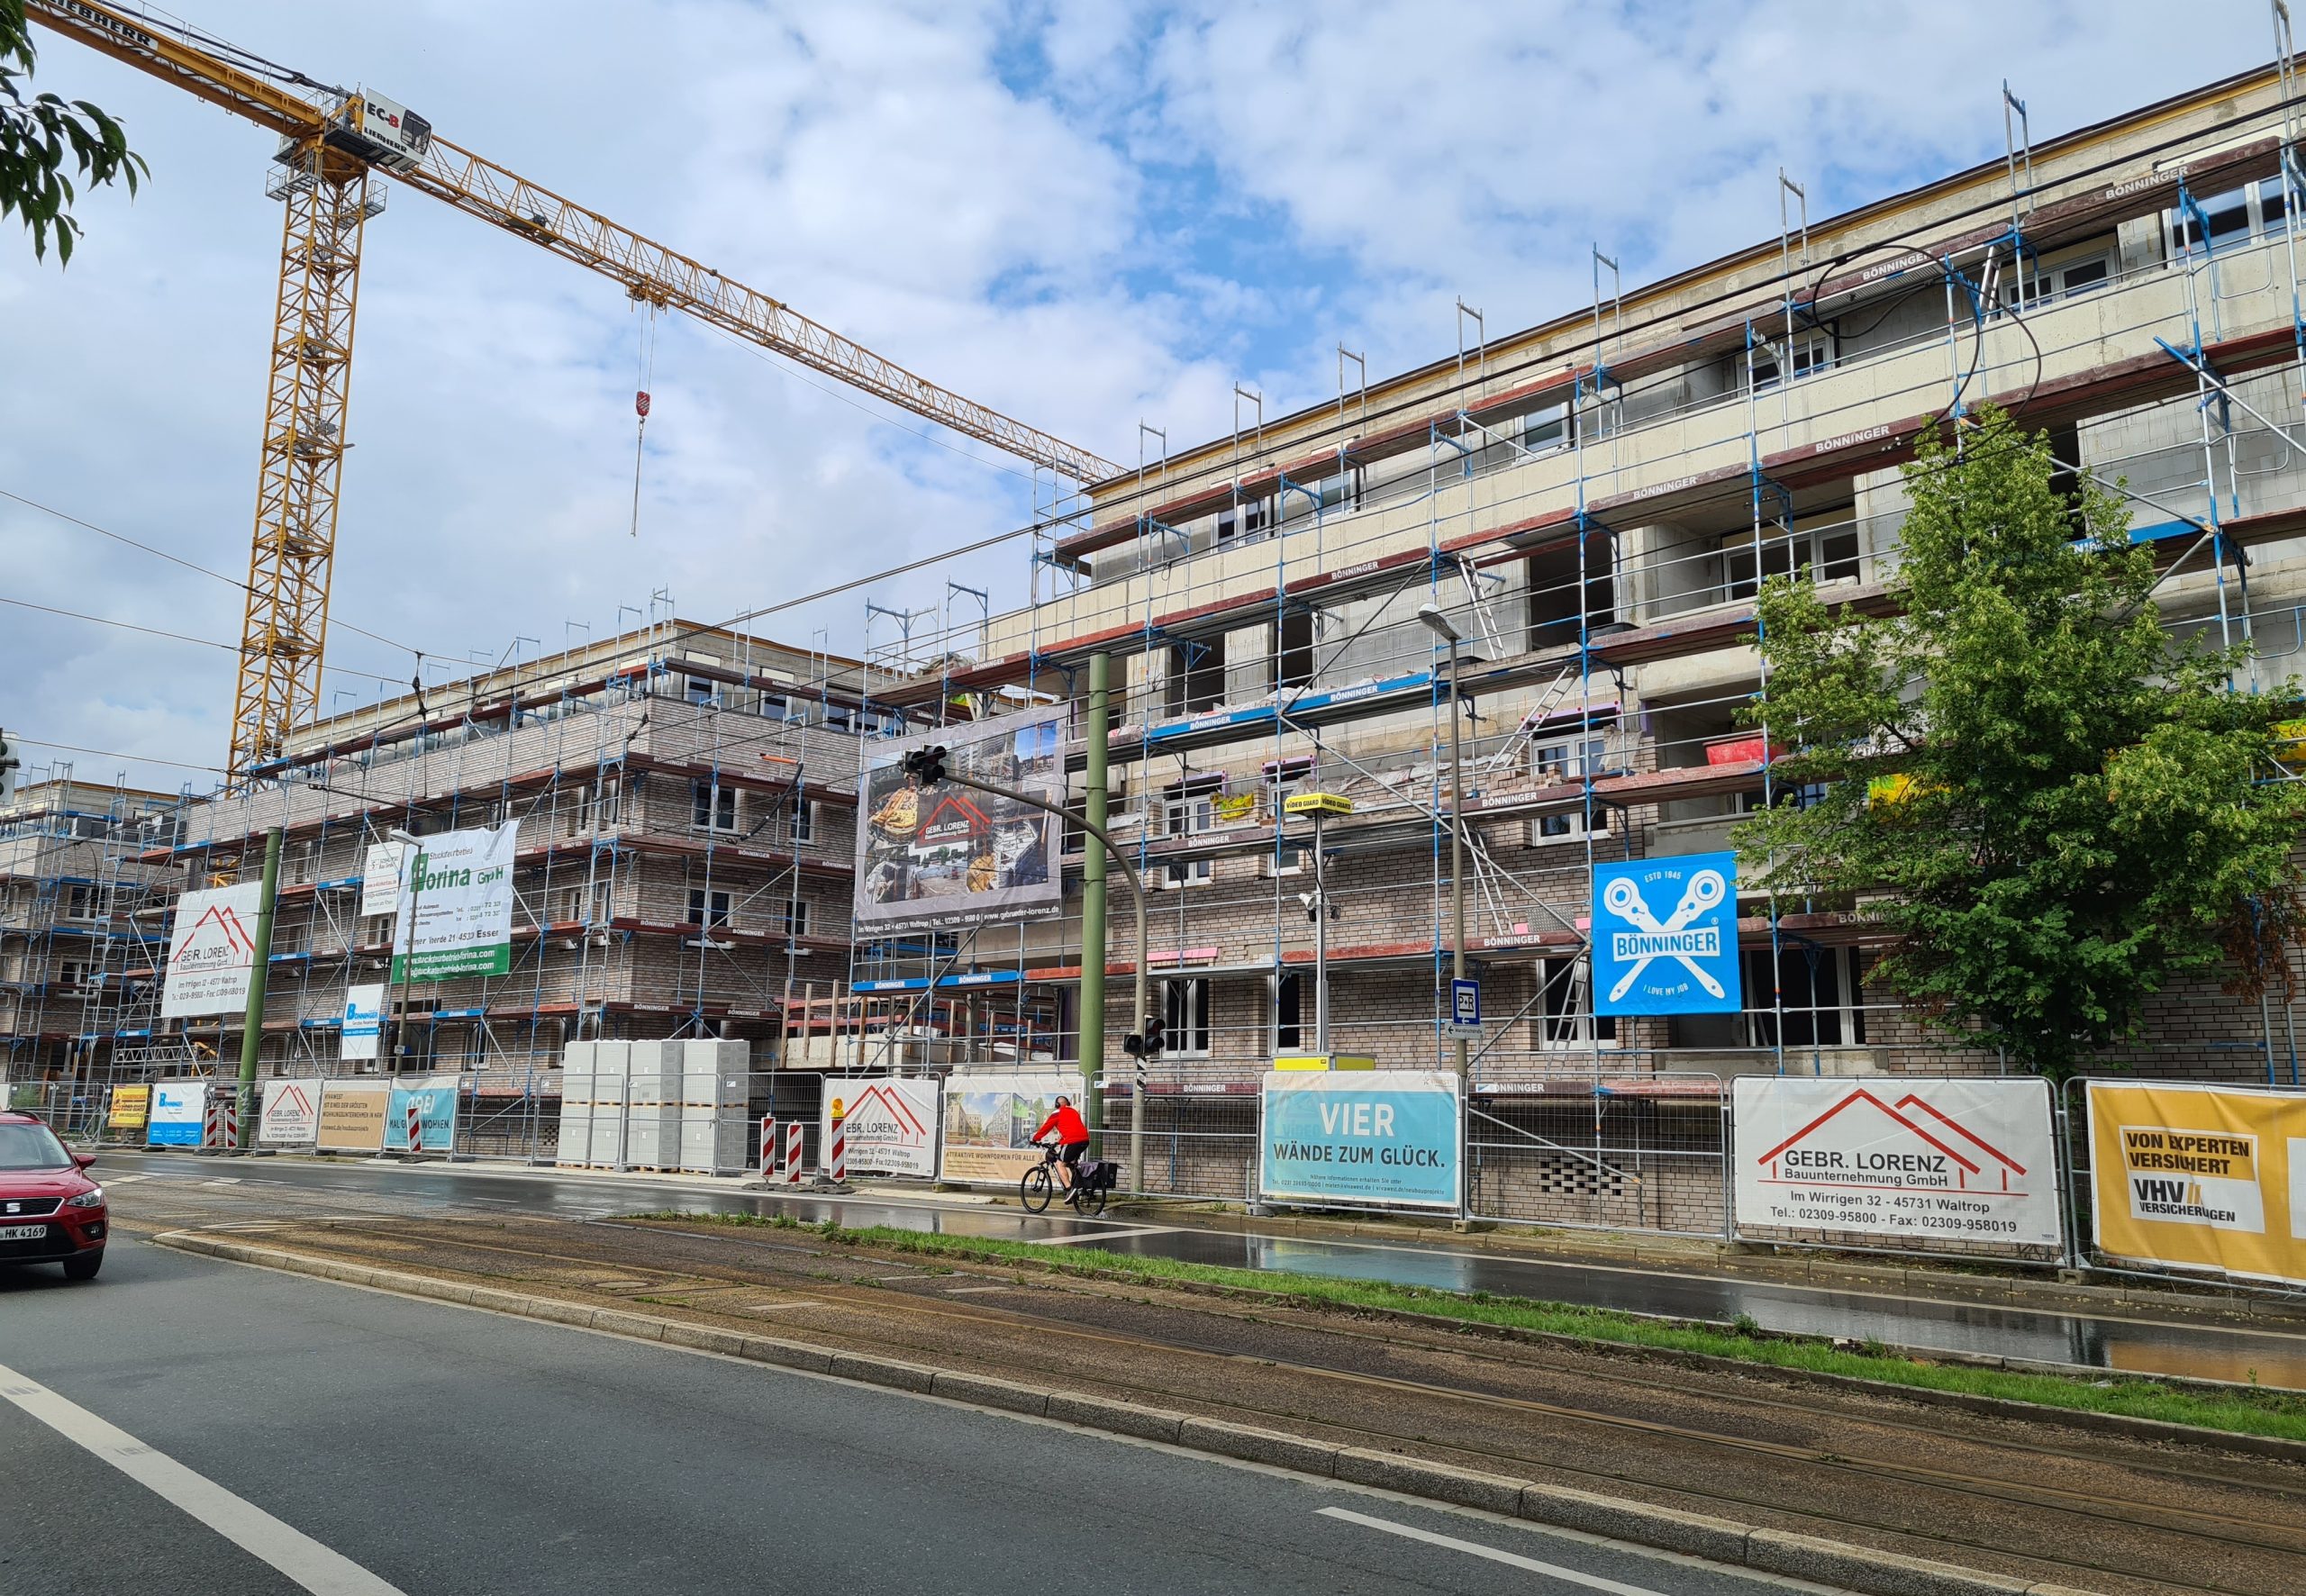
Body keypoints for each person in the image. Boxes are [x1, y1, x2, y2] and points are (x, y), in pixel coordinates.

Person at [1030, 1094, 1091, 1193]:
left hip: (1073, 1141)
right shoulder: (1074, 1112)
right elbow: (1073, 1128)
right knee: (1071, 1163)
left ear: (1057, 1104)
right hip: (1085, 1140)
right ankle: (1079, 1187)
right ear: (1068, 1103)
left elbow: (1046, 1127)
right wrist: (1060, 1140)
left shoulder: (1057, 1112)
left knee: (1060, 1164)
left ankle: (1069, 1189)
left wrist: (1035, 1138)